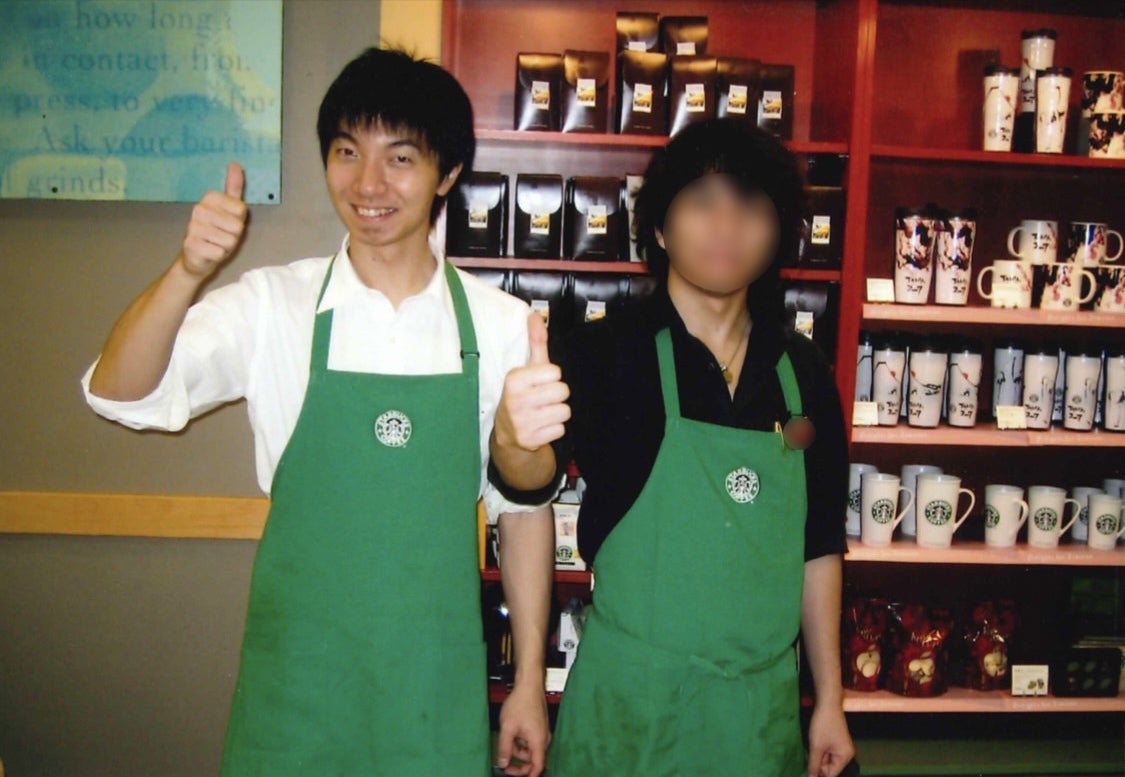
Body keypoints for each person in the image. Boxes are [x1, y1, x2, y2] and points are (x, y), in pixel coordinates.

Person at [83, 48, 554, 776]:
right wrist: (187, 272)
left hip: (431, 691)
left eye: (400, 158)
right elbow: (120, 393)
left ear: (448, 174)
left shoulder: (500, 325)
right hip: (296, 690)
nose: (368, 184)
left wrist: (526, 684)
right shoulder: (274, 304)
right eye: (346, 152)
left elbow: (520, 517)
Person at [491, 119, 856, 776]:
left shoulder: (801, 372)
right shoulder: (604, 353)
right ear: (659, 229)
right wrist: (513, 437)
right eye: (702, 201)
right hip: (628, 706)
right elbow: (528, 485)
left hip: (756, 714)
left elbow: (819, 545)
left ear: (777, 232)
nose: (726, 224)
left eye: (750, 205)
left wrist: (829, 698)